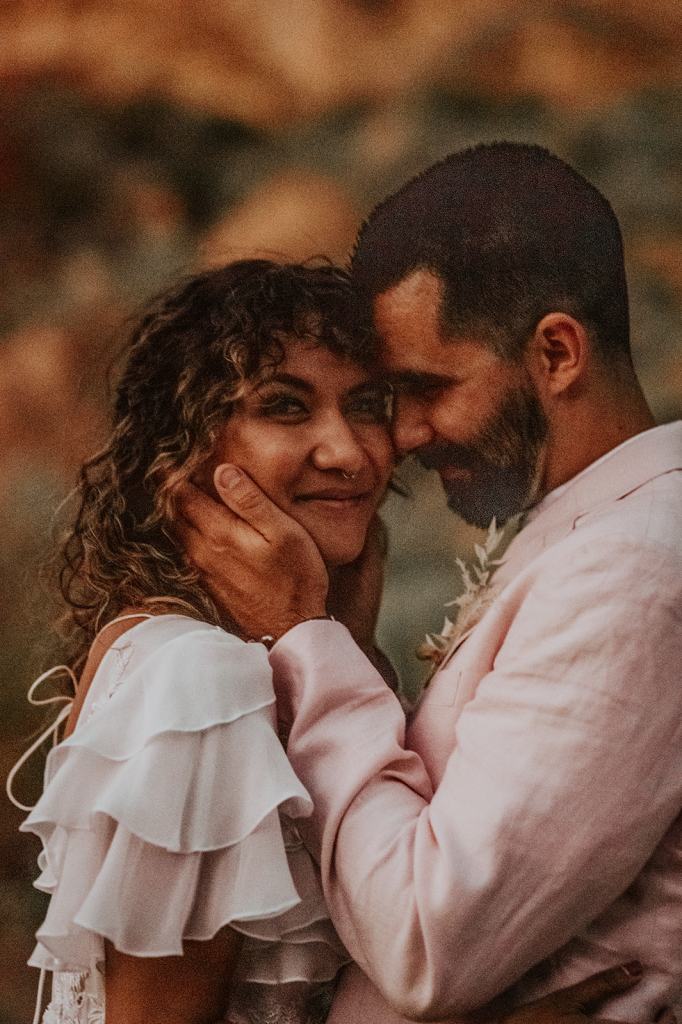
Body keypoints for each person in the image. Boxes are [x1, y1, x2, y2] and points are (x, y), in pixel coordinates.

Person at [176, 145, 682, 1024]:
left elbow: (425, 942)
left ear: (557, 353)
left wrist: (308, 642)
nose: (402, 434)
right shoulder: (590, 530)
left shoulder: (632, 571)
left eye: (426, 389)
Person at [8, 259, 393, 1024]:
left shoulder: (249, 655)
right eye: (285, 407)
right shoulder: (200, 680)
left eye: (368, 406)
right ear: (186, 448)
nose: (348, 452)